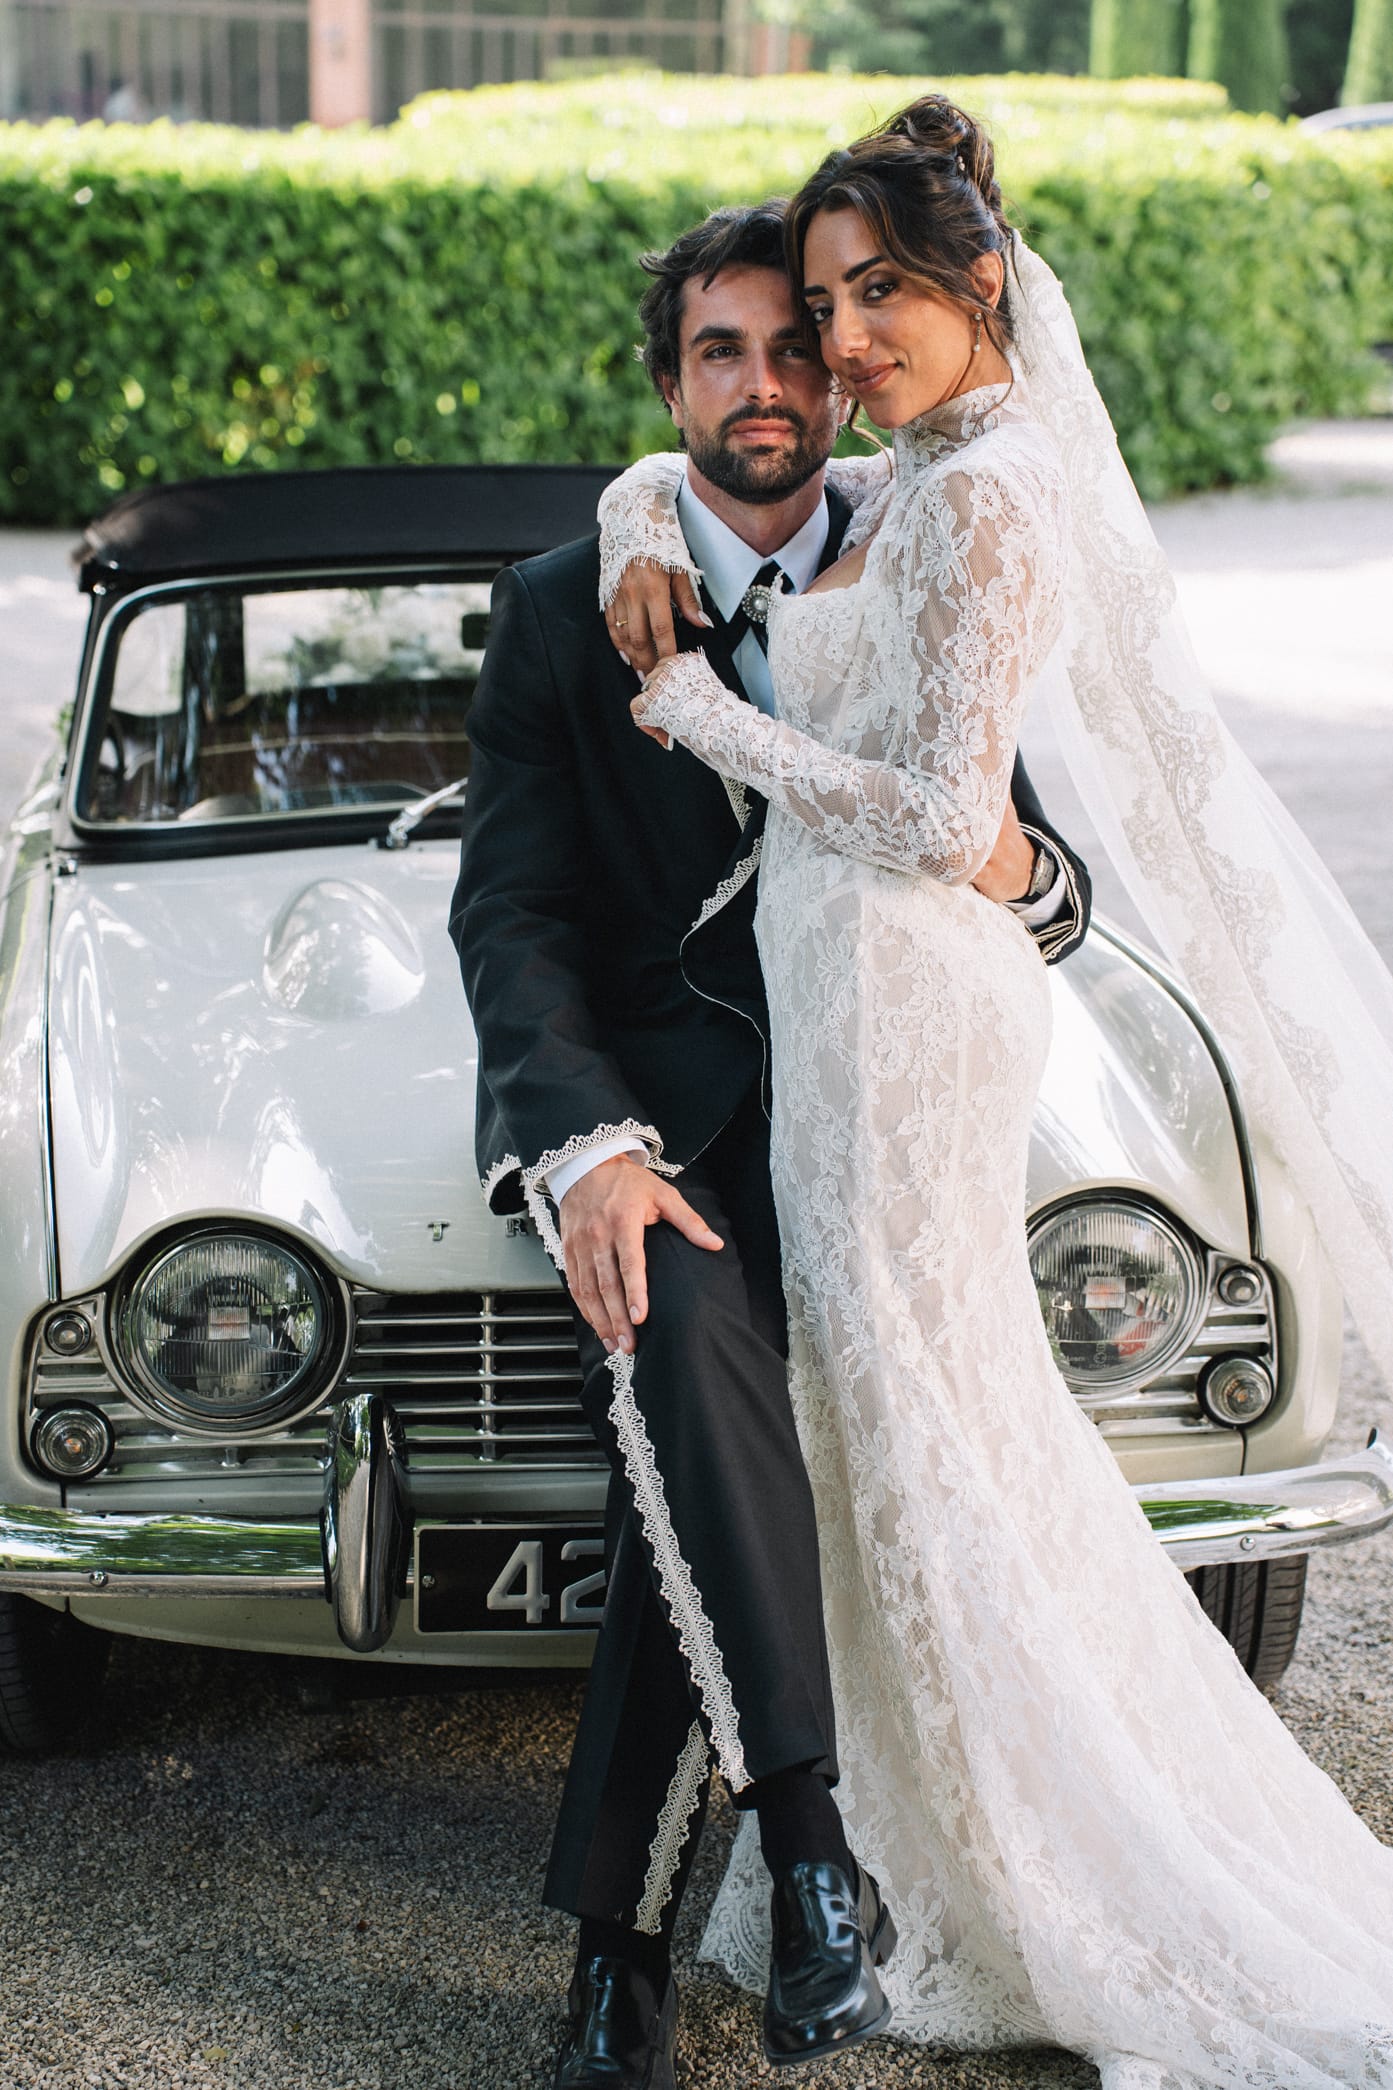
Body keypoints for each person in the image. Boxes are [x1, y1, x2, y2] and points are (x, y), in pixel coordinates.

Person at [601, 94, 1393, 2089]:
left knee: (914, 1391)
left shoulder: (986, 496)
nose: (840, 340)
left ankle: (1045, 1860)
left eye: (876, 298)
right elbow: (714, 476)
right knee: (896, 1404)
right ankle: (902, 1838)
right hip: (853, 989)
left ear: (977, 293)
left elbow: (957, 822)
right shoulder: (939, 463)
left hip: (904, 998)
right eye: (823, 298)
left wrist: (714, 722)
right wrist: (637, 510)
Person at [448, 201, 1091, 2089]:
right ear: (670, 394)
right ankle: (809, 1857)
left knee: (686, 1453)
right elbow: (515, 915)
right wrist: (583, 1150)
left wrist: (1021, 870)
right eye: (713, 354)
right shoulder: (569, 600)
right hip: (681, 1130)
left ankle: (618, 1952)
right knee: (682, 1339)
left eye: (789, 347)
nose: (759, 383)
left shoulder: (918, 548)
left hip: (881, 1116)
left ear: (840, 376)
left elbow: (1033, 862)